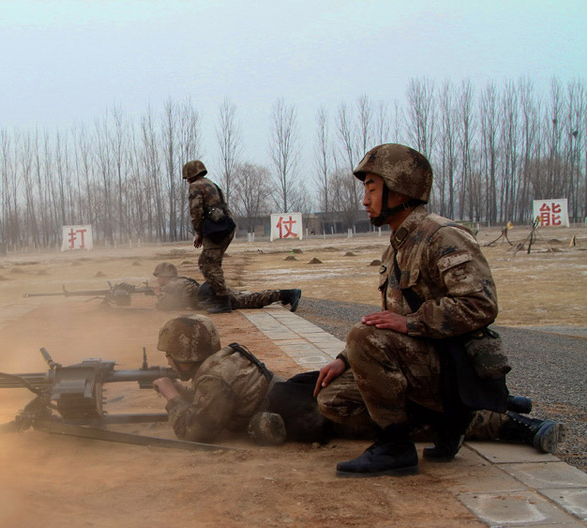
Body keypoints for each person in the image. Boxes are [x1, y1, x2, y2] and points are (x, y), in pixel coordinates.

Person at [313, 143, 564, 478]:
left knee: (363, 336)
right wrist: (344, 359)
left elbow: (480, 305)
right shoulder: (398, 247)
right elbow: (388, 319)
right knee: (333, 400)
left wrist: (412, 323)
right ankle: (453, 421)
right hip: (427, 360)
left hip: (455, 362)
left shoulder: (443, 236)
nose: (364, 200)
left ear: (399, 189)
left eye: (371, 188)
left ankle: (395, 447)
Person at [152, 314, 561, 452]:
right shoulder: (226, 358)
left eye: (171, 356)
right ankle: (504, 403)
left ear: (184, 355)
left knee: (411, 422)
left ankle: (511, 425)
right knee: (399, 395)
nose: (168, 362)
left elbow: (199, 431)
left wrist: (171, 397)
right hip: (293, 391)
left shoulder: (211, 380)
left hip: (307, 414)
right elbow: (221, 402)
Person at [183, 160, 235, 314]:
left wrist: (199, 233)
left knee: (210, 266)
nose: (187, 181)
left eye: (186, 178)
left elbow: (196, 212)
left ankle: (222, 301)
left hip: (215, 230)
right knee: (206, 262)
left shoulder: (196, 186)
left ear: (190, 175)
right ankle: (215, 297)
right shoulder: (211, 184)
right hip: (225, 227)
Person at [151, 262, 302, 313]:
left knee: (250, 300)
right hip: (211, 294)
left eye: (158, 276)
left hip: (213, 298)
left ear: (165, 276)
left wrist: (158, 295)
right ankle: (284, 295)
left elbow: (171, 305)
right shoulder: (179, 282)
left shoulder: (174, 285)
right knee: (249, 298)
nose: (157, 279)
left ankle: (289, 294)